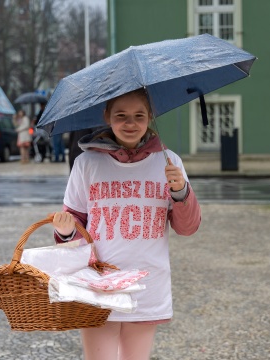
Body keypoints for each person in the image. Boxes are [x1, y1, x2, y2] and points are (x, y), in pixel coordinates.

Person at [51, 88, 202, 360]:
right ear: (107, 116)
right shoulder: (86, 163)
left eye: (139, 115)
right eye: (121, 115)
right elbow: (75, 226)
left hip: (147, 283)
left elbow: (187, 227)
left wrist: (181, 192)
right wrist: (66, 231)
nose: (130, 123)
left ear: (150, 117)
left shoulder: (170, 163)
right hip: (96, 285)